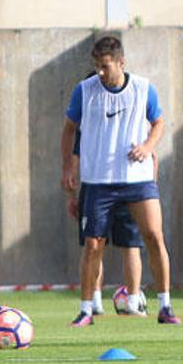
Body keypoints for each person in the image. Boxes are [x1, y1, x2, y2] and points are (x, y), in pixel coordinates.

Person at [61, 36, 179, 327]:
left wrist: (148, 146)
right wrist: (68, 167)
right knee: (93, 245)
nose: (100, 73)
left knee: (153, 237)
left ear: (121, 63)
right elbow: (68, 129)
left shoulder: (142, 88)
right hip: (98, 180)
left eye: (105, 66)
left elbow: (159, 122)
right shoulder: (84, 91)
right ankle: (87, 309)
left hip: (137, 180)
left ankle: (165, 306)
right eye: (97, 67)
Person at [67, 129, 146, 316]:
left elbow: (152, 155)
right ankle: (94, 301)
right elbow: (76, 155)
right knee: (94, 245)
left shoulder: (134, 117)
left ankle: (132, 302)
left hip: (130, 183)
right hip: (95, 186)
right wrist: (73, 195)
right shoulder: (91, 115)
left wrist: (148, 191)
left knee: (131, 244)